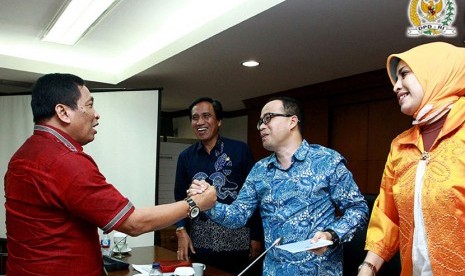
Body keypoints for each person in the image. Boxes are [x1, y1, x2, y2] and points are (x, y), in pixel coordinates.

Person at [4, 73, 216, 276]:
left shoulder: (22, 155)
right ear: (63, 112)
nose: (96, 114)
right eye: (89, 105)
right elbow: (133, 223)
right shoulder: (64, 160)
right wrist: (195, 203)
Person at [190, 96, 369, 275]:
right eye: (260, 121)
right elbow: (238, 215)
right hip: (274, 271)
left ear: (292, 121)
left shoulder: (327, 161)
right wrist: (208, 203)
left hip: (319, 270)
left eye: (268, 118)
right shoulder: (259, 170)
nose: (261, 126)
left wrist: (332, 234)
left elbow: (358, 210)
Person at [358, 42, 465, 276]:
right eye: (395, 79)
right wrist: (368, 267)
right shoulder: (400, 145)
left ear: (437, 73)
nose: (396, 87)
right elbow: (387, 214)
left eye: (404, 74)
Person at [174, 97, 264, 275]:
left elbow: (255, 196)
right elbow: (180, 197)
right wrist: (181, 229)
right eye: (195, 117)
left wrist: (256, 236)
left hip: (237, 242)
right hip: (200, 243)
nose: (200, 122)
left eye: (206, 116)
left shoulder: (240, 150)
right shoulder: (185, 157)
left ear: (219, 121)